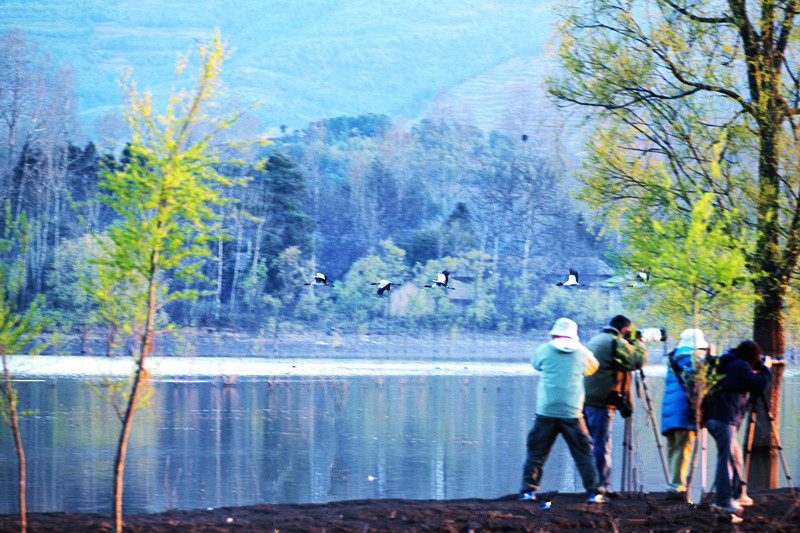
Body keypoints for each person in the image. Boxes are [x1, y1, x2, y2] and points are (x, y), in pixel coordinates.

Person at [518, 317, 605, 505]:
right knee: (584, 454)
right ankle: (594, 492)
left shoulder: (544, 349)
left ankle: (528, 491)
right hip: (572, 412)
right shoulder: (583, 353)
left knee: (536, 453)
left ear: (555, 334)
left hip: (546, 411)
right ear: (574, 336)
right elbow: (593, 368)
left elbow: (536, 365)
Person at [583, 315, 648, 494]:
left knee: (592, 443)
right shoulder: (616, 342)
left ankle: (593, 484)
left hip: (587, 398)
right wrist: (640, 343)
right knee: (601, 444)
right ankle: (601, 486)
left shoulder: (597, 339)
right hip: (601, 401)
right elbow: (637, 361)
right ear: (625, 330)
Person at [705, 340, 771, 513]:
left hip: (718, 417)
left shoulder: (730, 363)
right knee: (726, 460)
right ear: (753, 357)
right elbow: (760, 384)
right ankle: (722, 501)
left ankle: (738, 494)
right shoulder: (739, 366)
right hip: (723, 418)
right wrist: (767, 368)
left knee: (735, 456)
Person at [660, 328, 710, 499]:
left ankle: (673, 485)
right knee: (683, 450)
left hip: (669, 409)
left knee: (674, 449)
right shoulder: (692, 358)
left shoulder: (675, 357)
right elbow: (698, 380)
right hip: (683, 410)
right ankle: (677, 488)